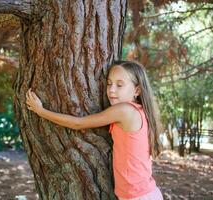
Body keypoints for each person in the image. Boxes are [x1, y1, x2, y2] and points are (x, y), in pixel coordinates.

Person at [26, 60, 163, 200]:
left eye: (119, 85)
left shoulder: (124, 110)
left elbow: (78, 124)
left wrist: (41, 111)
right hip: (144, 193)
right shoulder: (140, 111)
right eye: (109, 83)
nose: (111, 90)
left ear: (137, 90)